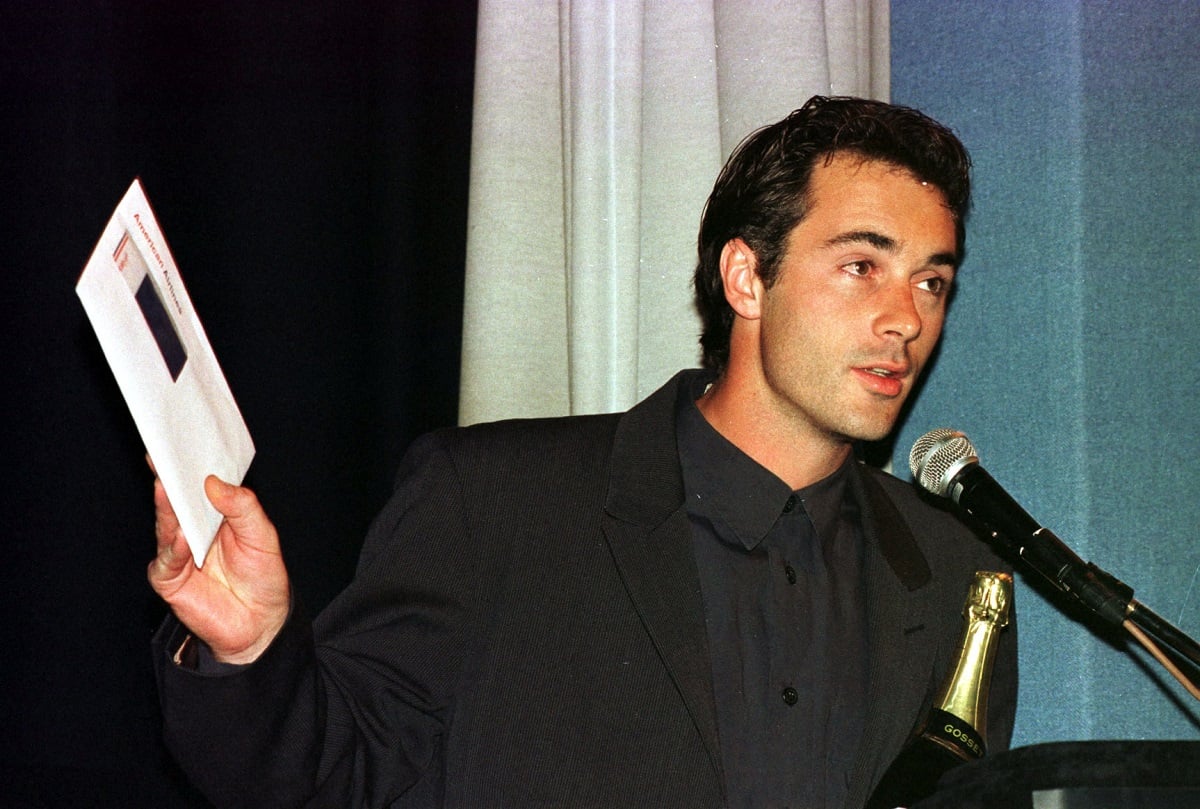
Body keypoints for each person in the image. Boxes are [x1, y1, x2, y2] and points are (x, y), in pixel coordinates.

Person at [149, 95, 1018, 809]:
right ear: (746, 276)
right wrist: (254, 652)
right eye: (863, 266)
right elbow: (337, 770)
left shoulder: (953, 574)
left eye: (932, 280)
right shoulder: (496, 502)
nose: (907, 316)